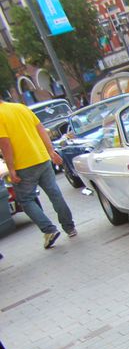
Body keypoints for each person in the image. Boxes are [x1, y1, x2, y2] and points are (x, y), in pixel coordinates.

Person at [0, 99, 76, 248]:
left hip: (23, 165)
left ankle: (49, 230)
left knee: (26, 200)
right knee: (55, 193)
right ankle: (70, 227)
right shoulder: (21, 107)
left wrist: (11, 168)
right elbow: (40, 128)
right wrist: (50, 151)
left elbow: (5, 144)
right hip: (41, 158)